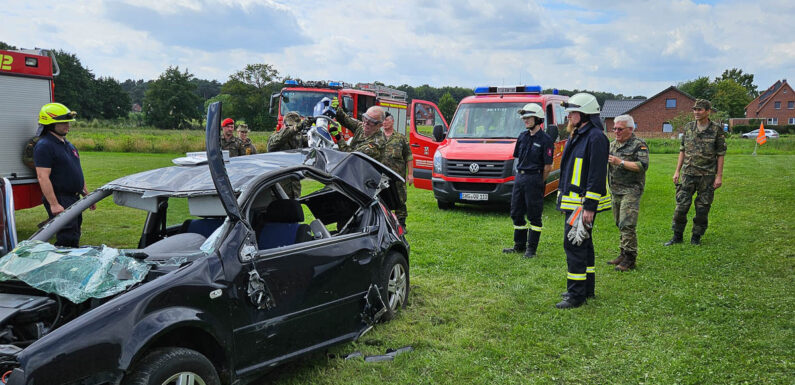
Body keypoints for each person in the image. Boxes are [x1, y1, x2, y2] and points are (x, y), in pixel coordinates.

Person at [555, 93, 611, 309]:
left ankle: (575, 295)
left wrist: (589, 206)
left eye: (573, 112)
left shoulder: (595, 137)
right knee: (583, 245)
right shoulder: (579, 134)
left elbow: (596, 175)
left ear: (585, 113)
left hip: (582, 204)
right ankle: (585, 288)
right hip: (573, 202)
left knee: (574, 245)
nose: (569, 115)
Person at [664, 99, 726, 246]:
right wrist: (677, 171)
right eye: (694, 109)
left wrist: (719, 176)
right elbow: (682, 150)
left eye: (700, 110)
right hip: (688, 174)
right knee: (681, 207)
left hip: (707, 175)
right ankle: (677, 236)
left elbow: (721, 153)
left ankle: (696, 237)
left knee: (702, 208)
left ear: (708, 111)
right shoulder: (688, 127)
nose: (696, 112)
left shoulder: (716, 129)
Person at [33, 102, 95, 247]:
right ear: (50, 124)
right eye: (62, 122)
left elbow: (76, 170)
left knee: (74, 233)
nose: (67, 125)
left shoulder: (68, 145)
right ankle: (60, 265)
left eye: (68, 121)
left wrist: (87, 195)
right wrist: (54, 204)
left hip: (74, 197)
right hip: (61, 197)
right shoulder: (44, 146)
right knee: (67, 237)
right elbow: (43, 177)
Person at [502, 103, 554, 258]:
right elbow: (517, 157)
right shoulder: (522, 136)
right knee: (516, 212)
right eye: (524, 117)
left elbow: (548, 166)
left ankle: (531, 249)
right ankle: (519, 245)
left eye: (528, 117)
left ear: (538, 119)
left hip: (534, 178)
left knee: (534, 214)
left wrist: (539, 182)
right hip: (520, 177)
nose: (525, 120)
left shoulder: (546, 140)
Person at [606, 114, 649, 271]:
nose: (616, 131)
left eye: (620, 129)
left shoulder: (639, 145)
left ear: (630, 129)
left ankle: (630, 258)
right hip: (615, 190)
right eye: (614, 128)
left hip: (631, 190)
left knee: (627, 223)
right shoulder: (612, 145)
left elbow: (642, 166)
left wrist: (621, 162)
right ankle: (623, 253)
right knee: (619, 222)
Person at [380, 111, 413, 230]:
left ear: (392, 121)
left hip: (397, 177)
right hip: (381, 177)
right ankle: (384, 224)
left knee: (400, 200)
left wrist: (410, 174)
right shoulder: (378, 137)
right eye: (383, 120)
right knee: (381, 200)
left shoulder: (400, 138)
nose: (384, 123)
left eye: (387, 120)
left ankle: (401, 225)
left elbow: (408, 156)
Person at [267, 111, 310, 198]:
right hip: (280, 185)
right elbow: (274, 143)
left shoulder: (299, 137)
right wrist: (294, 129)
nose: (293, 129)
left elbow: (309, 150)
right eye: (290, 126)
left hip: (294, 185)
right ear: (284, 125)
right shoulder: (276, 137)